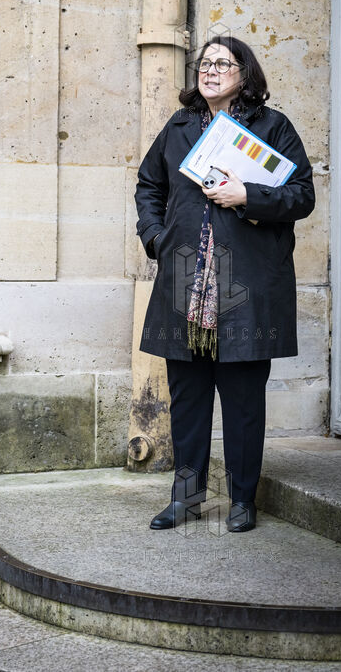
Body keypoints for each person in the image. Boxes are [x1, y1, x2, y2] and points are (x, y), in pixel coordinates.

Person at [134, 36, 315, 532]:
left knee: (243, 404)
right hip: (185, 286)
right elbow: (149, 185)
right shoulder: (178, 127)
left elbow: (301, 195)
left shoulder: (273, 127)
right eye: (205, 63)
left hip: (245, 288)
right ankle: (186, 499)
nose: (210, 70)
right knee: (188, 402)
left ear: (244, 73)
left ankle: (242, 500)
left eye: (222, 63)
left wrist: (247, 196)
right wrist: (156, 238)